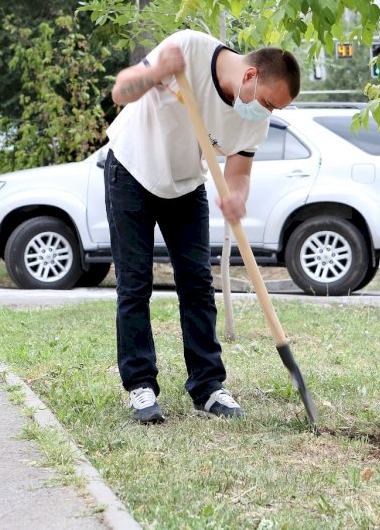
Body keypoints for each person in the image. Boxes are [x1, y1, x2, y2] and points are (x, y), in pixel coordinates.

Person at [105, 29, 301, 423]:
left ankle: (208, 387)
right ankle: (140, 386)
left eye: (276, 109)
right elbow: (121, 92)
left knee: (197, 283)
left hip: (186, 183)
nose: (269, 113)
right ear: (249, 76)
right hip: (132, 169)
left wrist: (238, 194)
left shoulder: (255, 120)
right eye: (268, 103)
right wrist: (158, 70)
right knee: (135, 282)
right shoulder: (190, 48)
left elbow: (239, 170)